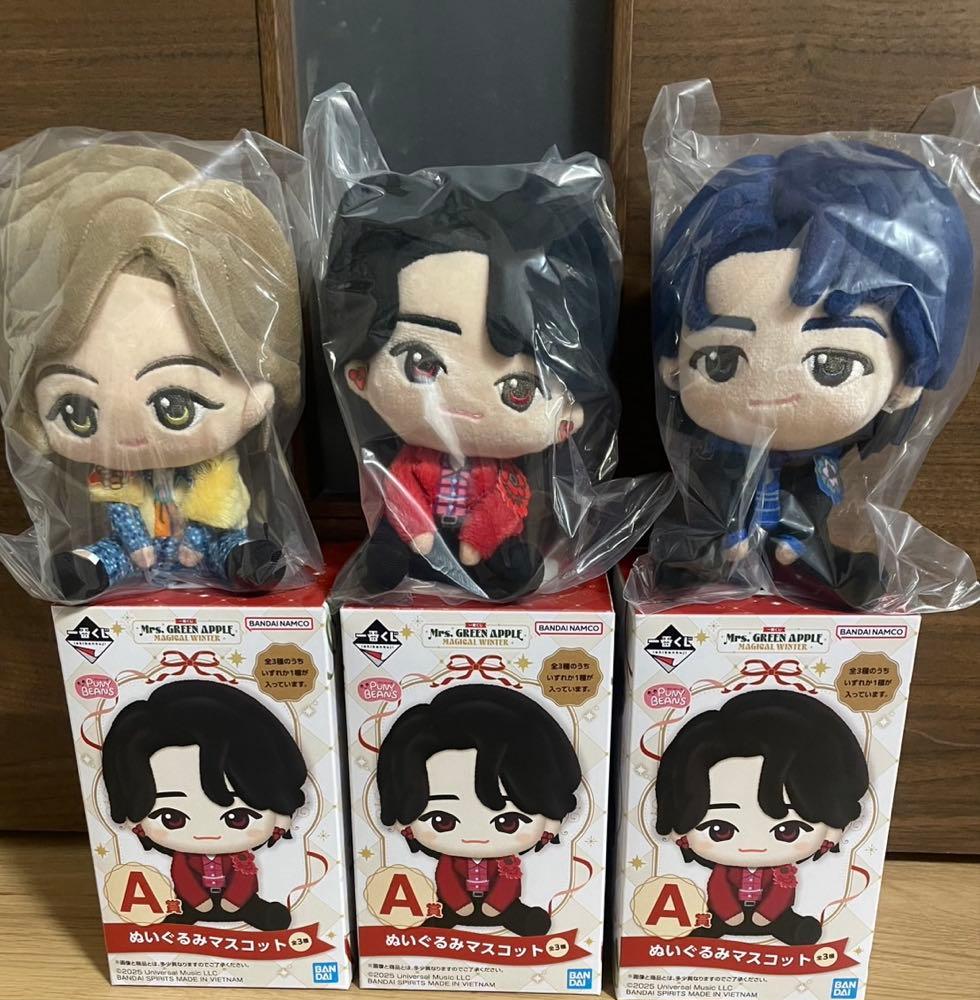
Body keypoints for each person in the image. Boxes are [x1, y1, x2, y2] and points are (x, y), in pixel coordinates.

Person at [650, 141, 973, 609]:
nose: (770, 394)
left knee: (810, 517)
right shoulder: (713, 457)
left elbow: (819, 497)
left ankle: (798, 554)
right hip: (720, 532)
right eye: (720, 360)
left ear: (906, 374)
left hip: (800, 542)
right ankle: (722, 553)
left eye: (833, 365)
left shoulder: (820, 465)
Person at [0, 143, 304, 600]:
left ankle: (246, 563)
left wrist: (194, 543)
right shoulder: (116, 477)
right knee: (109, 552)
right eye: (77, 411)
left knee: (229, 544)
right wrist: (139, 546)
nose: (129, 438)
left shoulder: (213, 467)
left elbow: (212, 512)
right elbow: (121, 513)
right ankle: (87, 571)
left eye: (175, 405)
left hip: (203, 543)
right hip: (137, 548)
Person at [321, 167, 620, 599]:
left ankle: (500, 568)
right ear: (360, 376)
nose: (462, 403)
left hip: (478, 545)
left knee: (508, 556)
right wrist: (419, 533)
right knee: (391, 542)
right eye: (421, 363)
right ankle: (397, 558)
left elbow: (505, 503)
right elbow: (402, 490)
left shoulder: (500, 474)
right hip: (420, 540)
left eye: (518, 389)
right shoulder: (412, 461)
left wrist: (477, 539)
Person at [654, 690, 869, 946]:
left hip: (773, 916)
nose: (752, 846)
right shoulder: (724, 871)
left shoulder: (783, 872)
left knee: (788, 924)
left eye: (787, 831)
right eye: (719, 830)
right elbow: (719, 889)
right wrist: (730, 914)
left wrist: (766, 915)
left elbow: (781, 893)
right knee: (710, 921)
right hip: (726, 913)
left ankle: (794, 930)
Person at [101, 681, 307, 932]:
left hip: (240, 902)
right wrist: (199, 901)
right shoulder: (184, 859)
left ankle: (261, 915)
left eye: (238, 818)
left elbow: (244, 879)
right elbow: (183, 877)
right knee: (180, 911)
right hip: (193, 902)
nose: (206, 833)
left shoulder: (242, 857)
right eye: (171, 818)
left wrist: (234, 901)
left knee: (255, 910)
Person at [376, 685, 581, 936]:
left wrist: (496, 905)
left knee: (519, 916)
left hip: (502, 907)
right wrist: (459, 904)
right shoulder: (450, 861)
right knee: (440, 915)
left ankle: (522, 920)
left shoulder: (507, 862)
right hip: (455, 905)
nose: (475, 836)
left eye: (508, 822)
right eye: (441, 821)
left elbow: (508, 883)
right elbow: (446, 879)